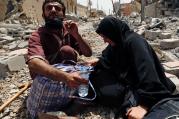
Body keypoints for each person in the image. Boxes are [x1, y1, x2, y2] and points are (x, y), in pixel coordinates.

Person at [87, 16, 179, 119]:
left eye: (106, 37)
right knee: (95, 77)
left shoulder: (134, 42)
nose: (104, 41)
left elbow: (147, 71)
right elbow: (108, 58)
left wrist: (144, 105)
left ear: (112, 33)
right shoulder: (118, 42)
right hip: (129, 81)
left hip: (146, 87)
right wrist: (98, 62)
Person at [26, 0, 92, 118]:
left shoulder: (69, 31)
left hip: (67, 75)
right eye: (49, 8)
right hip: (47, 78)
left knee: (69, 52)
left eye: (57, 8)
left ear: (64, 15)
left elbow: (88, 53)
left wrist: (76, 35)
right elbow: (34, 63)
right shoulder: (37, 35)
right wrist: (66, 77)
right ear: (43, 15)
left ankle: (65, 108)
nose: (53, 10)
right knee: (66, 51)